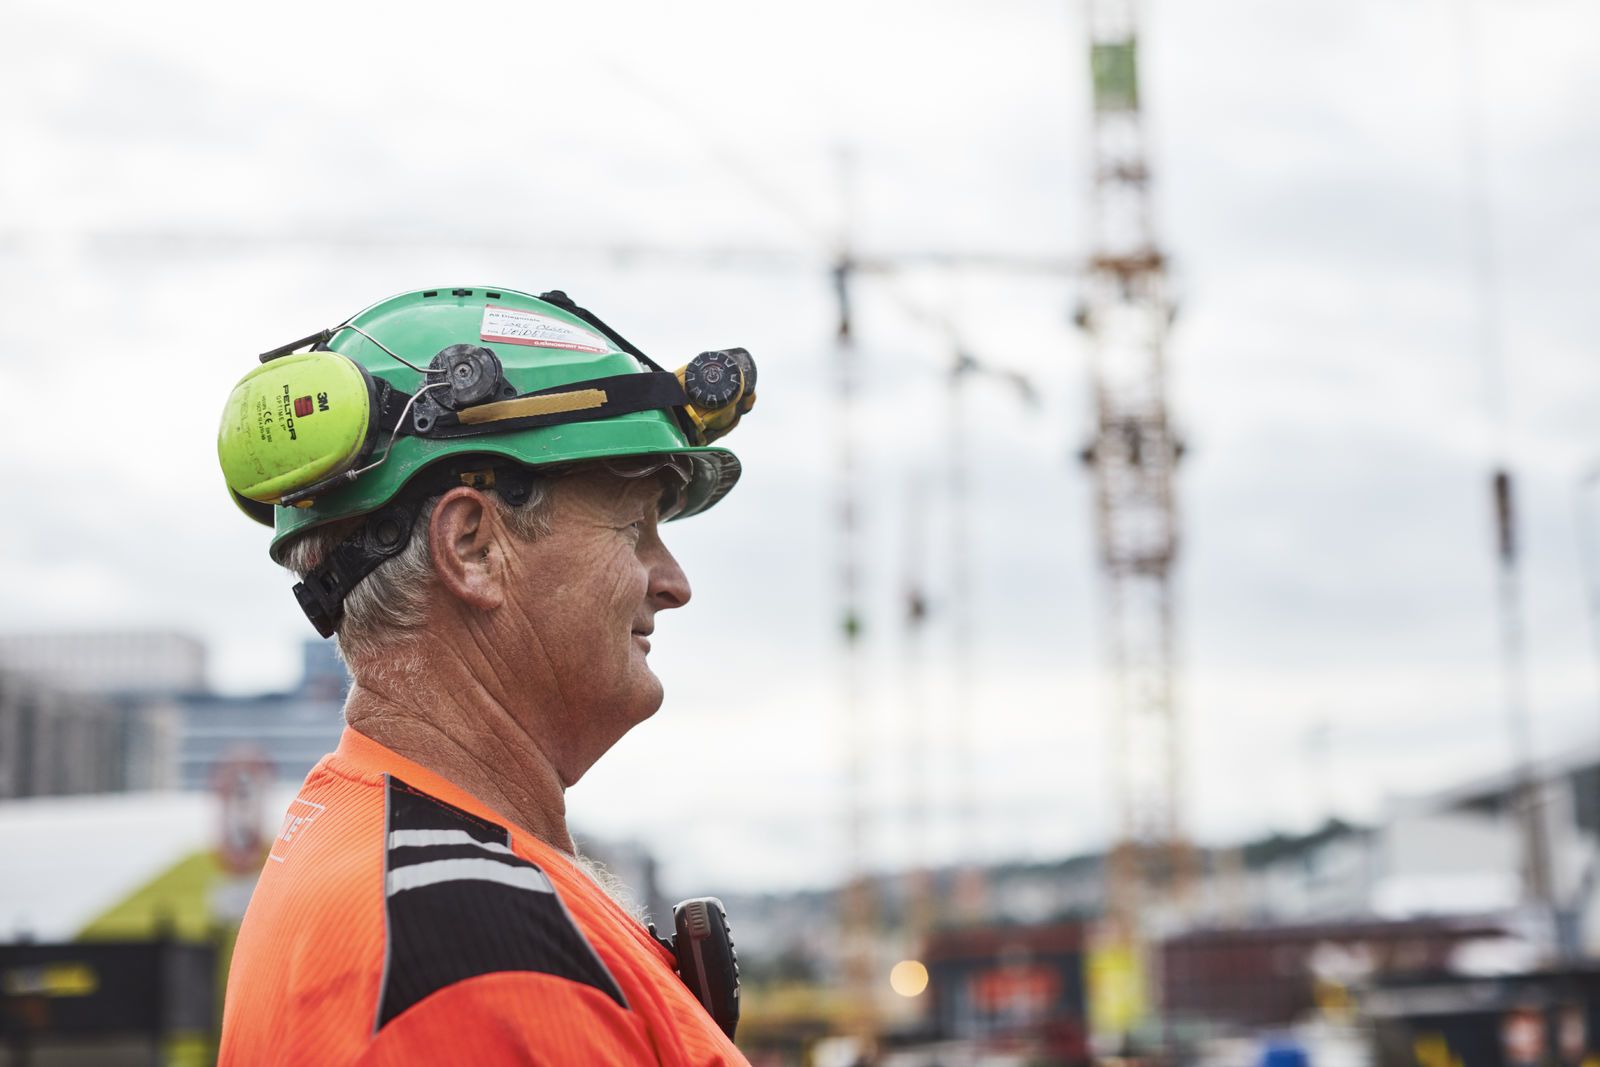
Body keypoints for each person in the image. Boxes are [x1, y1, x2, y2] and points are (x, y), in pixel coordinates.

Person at [214, 286, 757, 1065]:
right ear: (472, 546)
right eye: (633, 525)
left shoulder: (390, 854)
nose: (672, 581)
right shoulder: (480, 957)